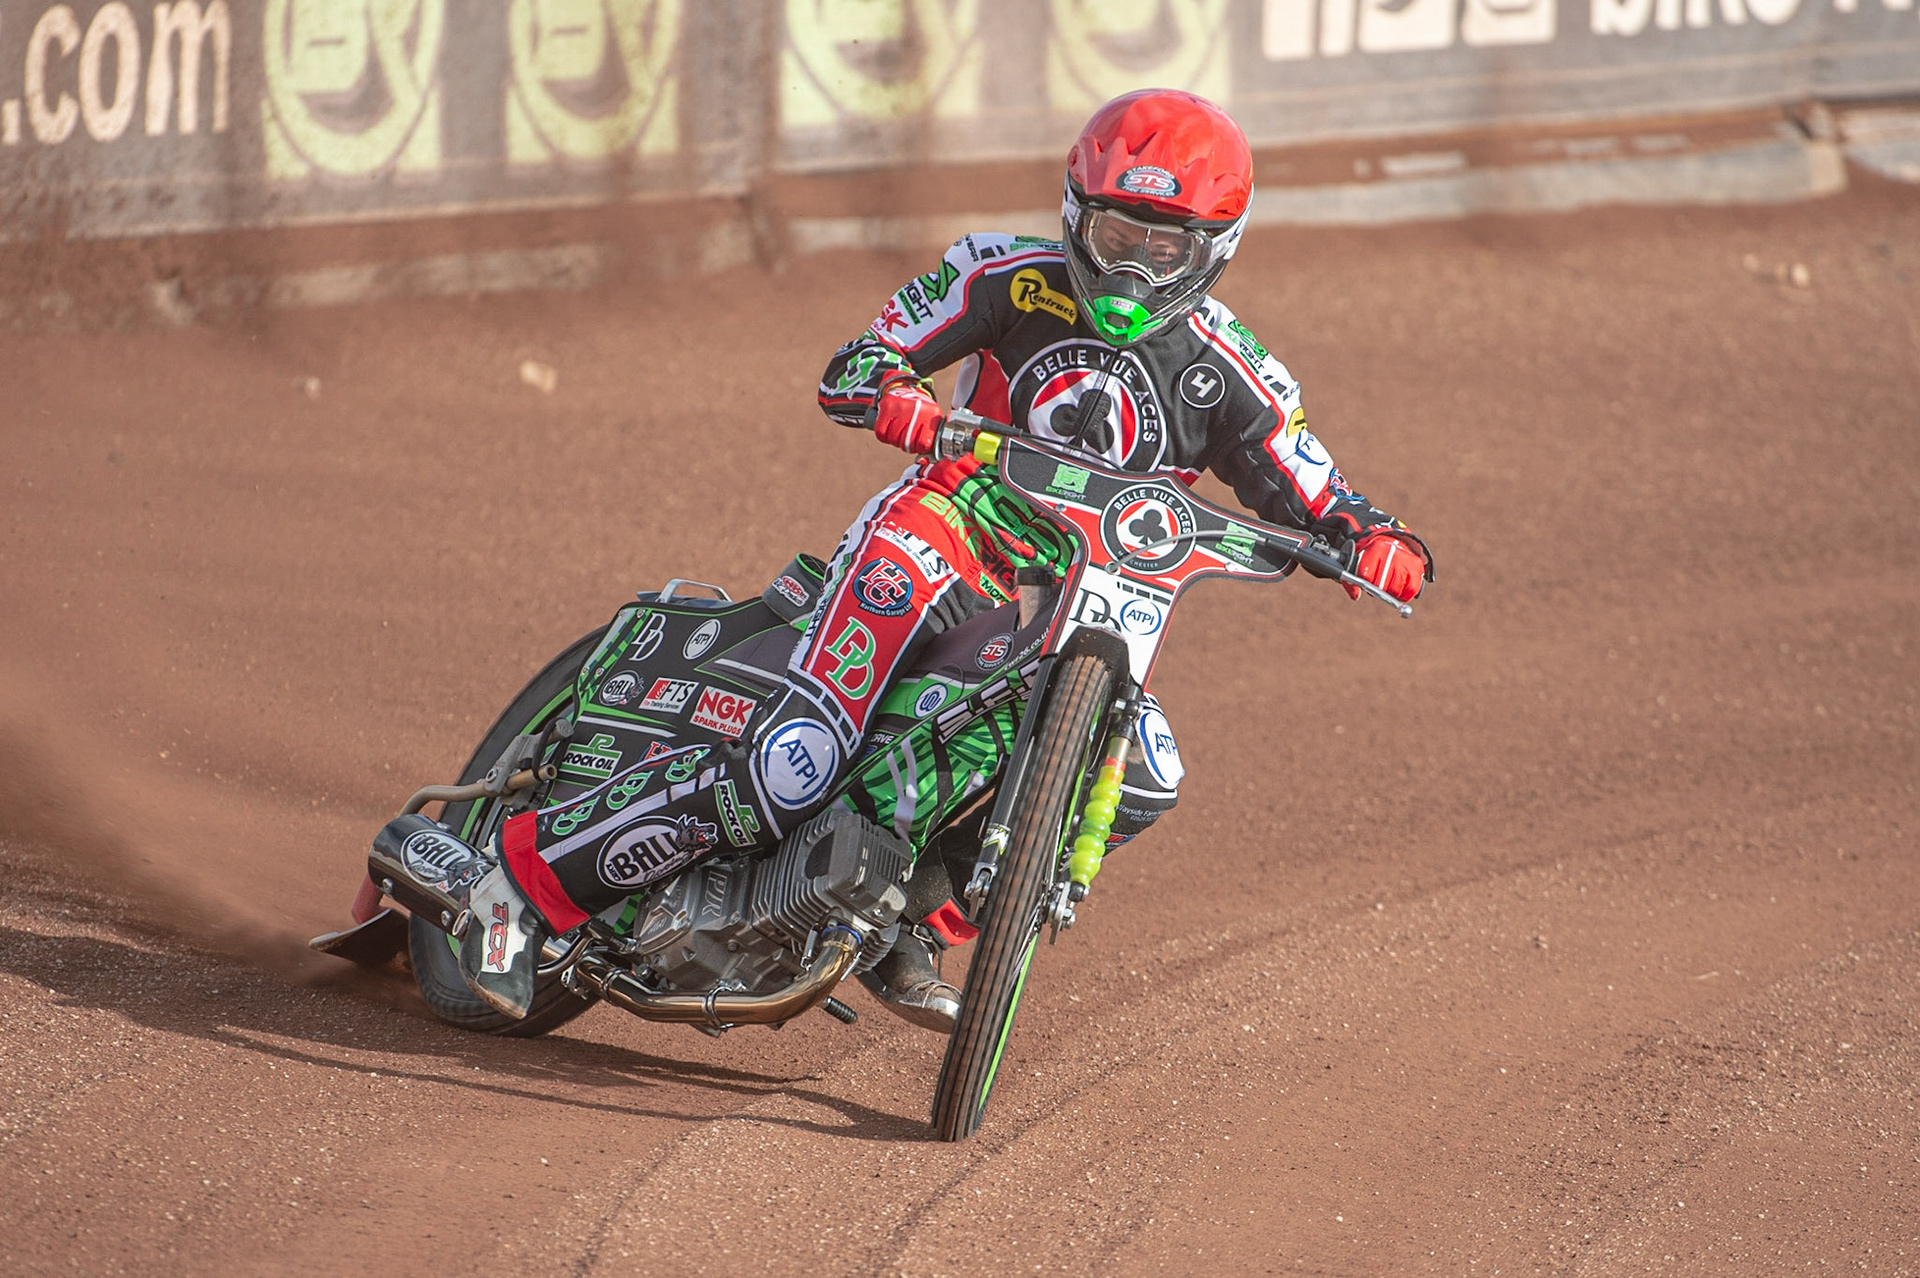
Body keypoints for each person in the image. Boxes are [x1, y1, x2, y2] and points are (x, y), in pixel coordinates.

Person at [436, 88, 1432, 1030]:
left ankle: (906, 915)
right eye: (1114, 236)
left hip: (1084, 601)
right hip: (946, 524)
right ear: (1074, 215)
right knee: (796, 764)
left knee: (1144, 776)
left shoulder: (1235, 371)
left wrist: (1378, 543)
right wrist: (892, 394)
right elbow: (861, 362)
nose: (1130, 265)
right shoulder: (1003, 273)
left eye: (1160, 245)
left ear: (1213, 249)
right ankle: (517, 883)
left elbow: (1322, 494)